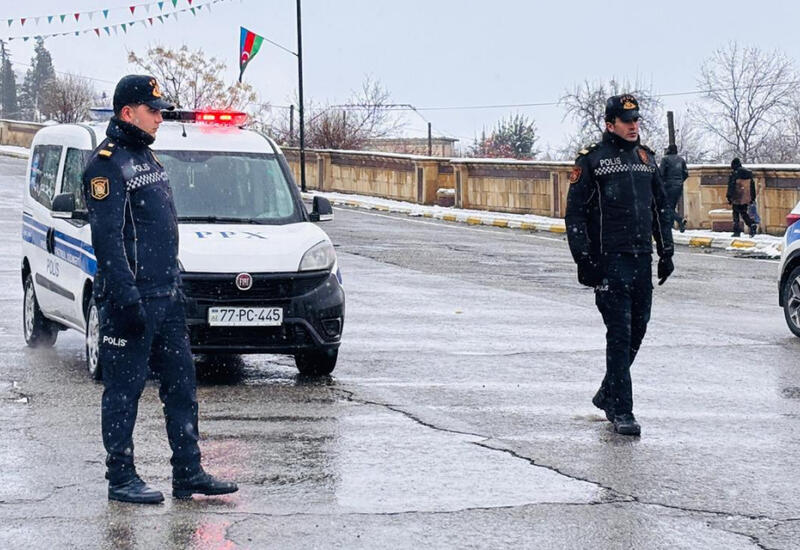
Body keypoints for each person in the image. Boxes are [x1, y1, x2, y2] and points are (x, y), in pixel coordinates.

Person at [83, 75, 238, 504]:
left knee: (181, 386)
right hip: (130, 300)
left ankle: (188, 472)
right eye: (153, 110)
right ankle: (121, 477)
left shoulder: (147, 159)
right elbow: (108, 239)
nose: (159, 118)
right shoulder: (107, 165)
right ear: (127, 112)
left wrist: (173, 285)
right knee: (124, 391)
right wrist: (126, 295)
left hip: (166, 295)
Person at [565, 94, 674, 436]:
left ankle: (607, 393)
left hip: (642, 258)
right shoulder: (592, 161)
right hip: (610, 260)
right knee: (619, 334)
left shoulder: (646, 159)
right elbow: (575, 214)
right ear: (610, 124)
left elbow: (660, 207)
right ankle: (622, 411)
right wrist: (584, 260)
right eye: (627, 121)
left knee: (638, 330)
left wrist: (666, 251)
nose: (633, 126)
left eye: (636, 120)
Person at [659, 144, 689, 232]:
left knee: (666, 207)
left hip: (668, 186)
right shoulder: (681, 160)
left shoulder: (665, 159)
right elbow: (686, 174)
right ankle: (671, 225)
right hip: (678, 186)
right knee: (671, 206)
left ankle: (679, 220)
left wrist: (663, 183)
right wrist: (679, 181)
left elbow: (661, 173)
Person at [726, 158, 758, 237]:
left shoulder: (734, 174)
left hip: (736, 197)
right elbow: (752, 186)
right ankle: (751, 225)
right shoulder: (748, 173)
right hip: (745, 197)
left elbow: (731, 186)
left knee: (736, 214)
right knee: (744, 213)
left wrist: (729, 196)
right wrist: (752, 198)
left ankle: (737, 231)